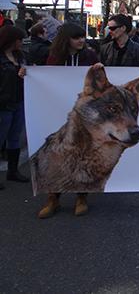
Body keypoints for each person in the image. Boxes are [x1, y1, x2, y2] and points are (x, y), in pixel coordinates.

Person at [38, 23, 99, 218]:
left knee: (83, 153)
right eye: (76, 37)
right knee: (56, 153)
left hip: (84, 115)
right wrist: (26, 74)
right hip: (58, 111)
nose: (81, 40)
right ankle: (53, 198)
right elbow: (43, 78)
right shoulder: (54, 57)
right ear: (67, 39)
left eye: (82, 36)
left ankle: (81, 197)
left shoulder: (89, 56)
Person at [0, 26, 28, 188]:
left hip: (18, 101)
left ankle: (12, 171)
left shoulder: (21, 56)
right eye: (19, 40)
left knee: (14, 136)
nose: (21, 42)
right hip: (4, 103)